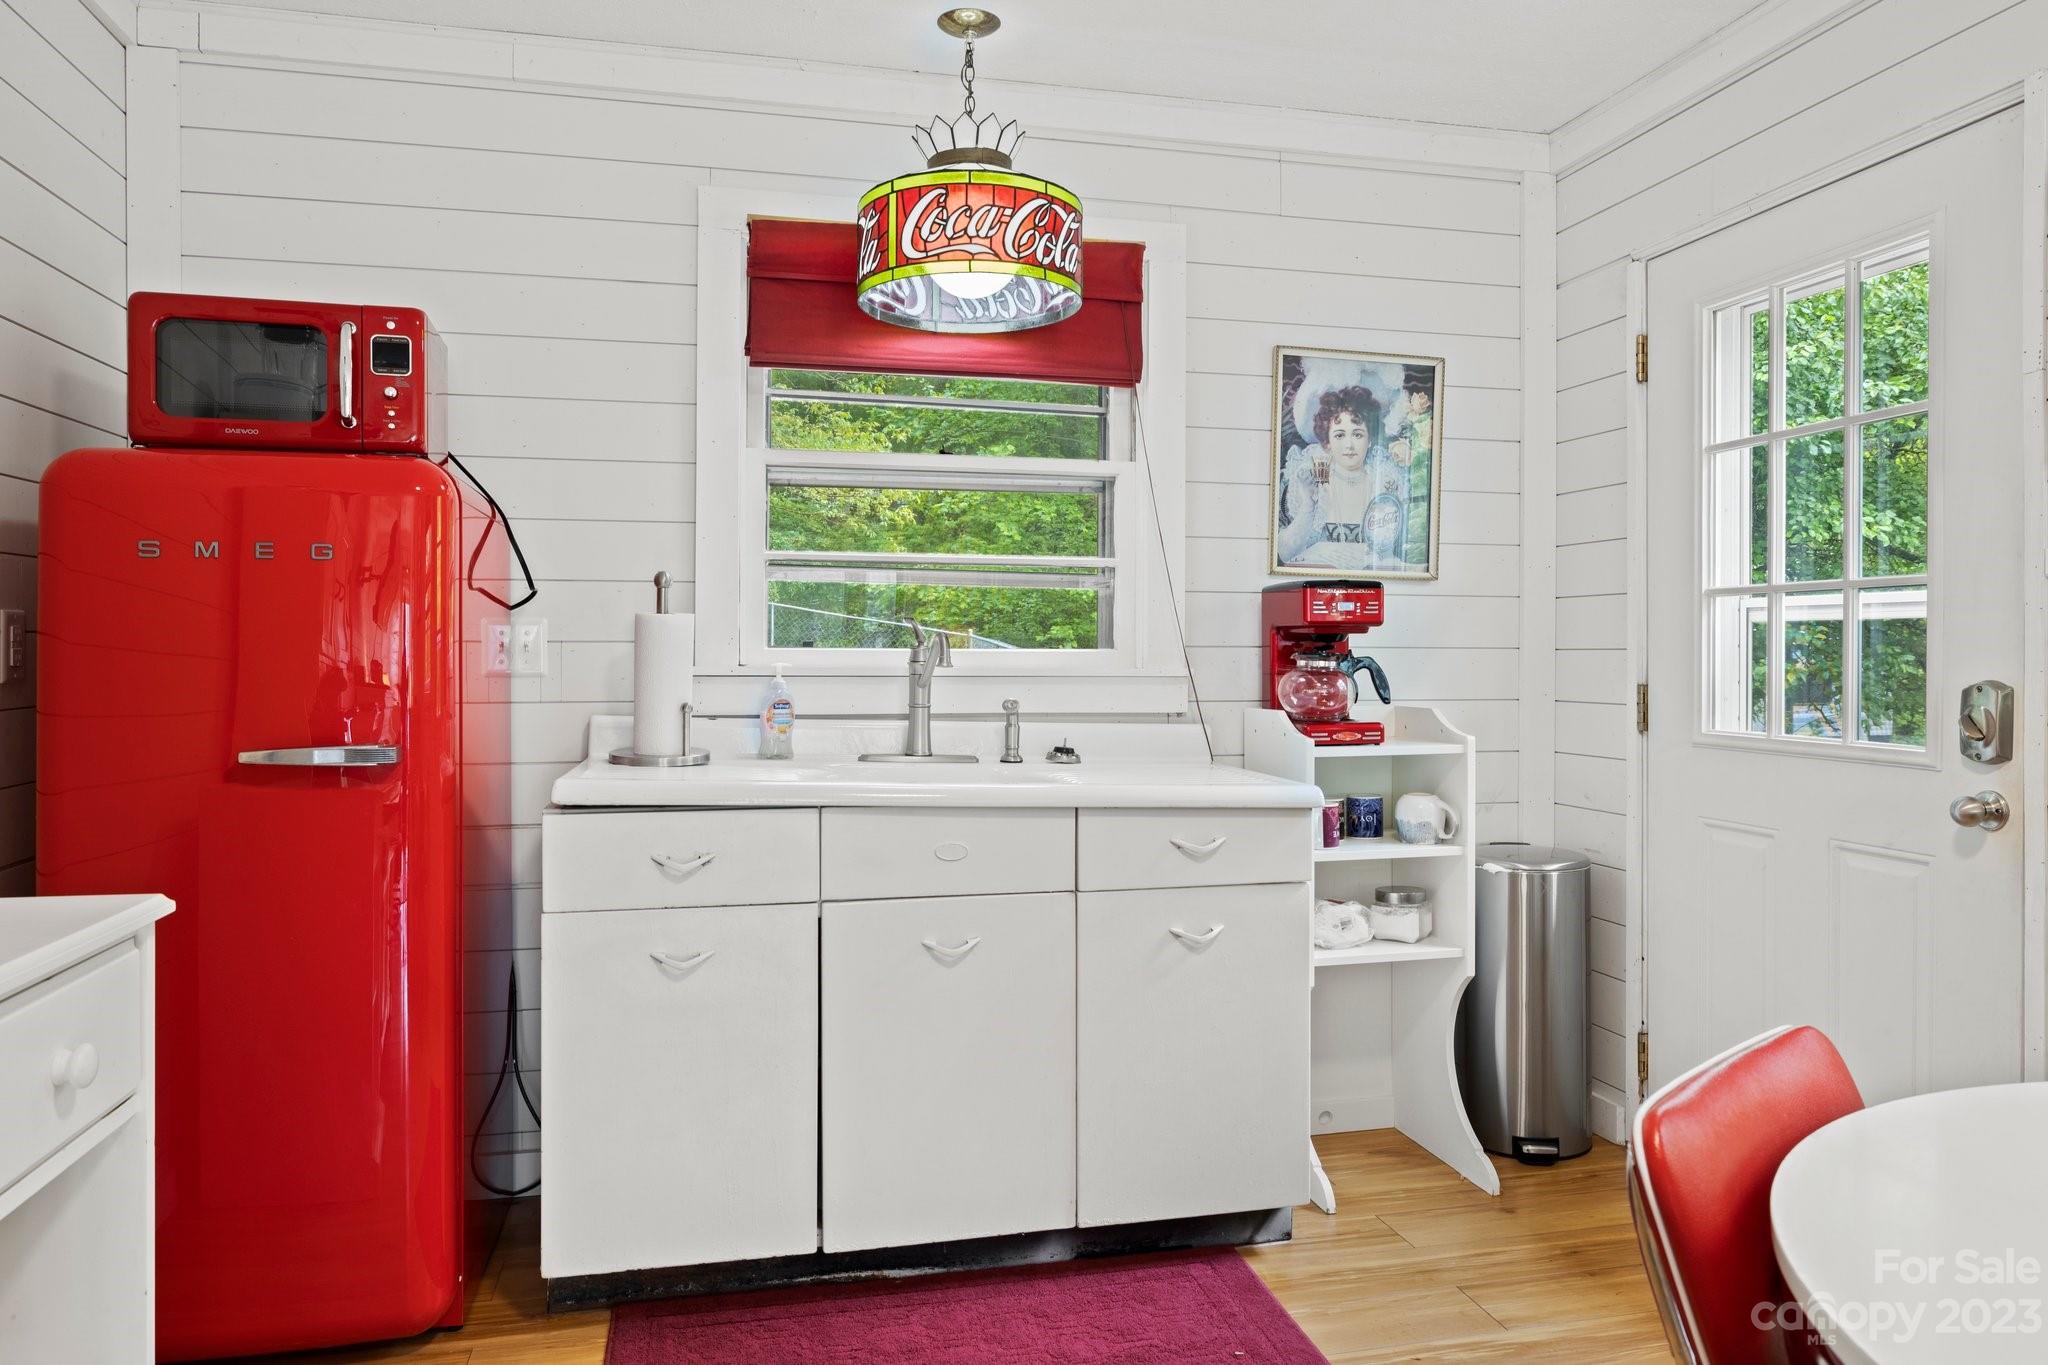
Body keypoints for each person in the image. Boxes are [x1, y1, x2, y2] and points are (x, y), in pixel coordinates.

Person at [1277, 384, 1407, 565]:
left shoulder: (1384, 483)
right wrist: (1308, 504)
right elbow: (1284, 554)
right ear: (1327, 442)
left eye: (1358, 435)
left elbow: (1390, 553)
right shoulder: (1313, 481)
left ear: (1369, 440)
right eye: (1339, 435)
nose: (1349, 445)